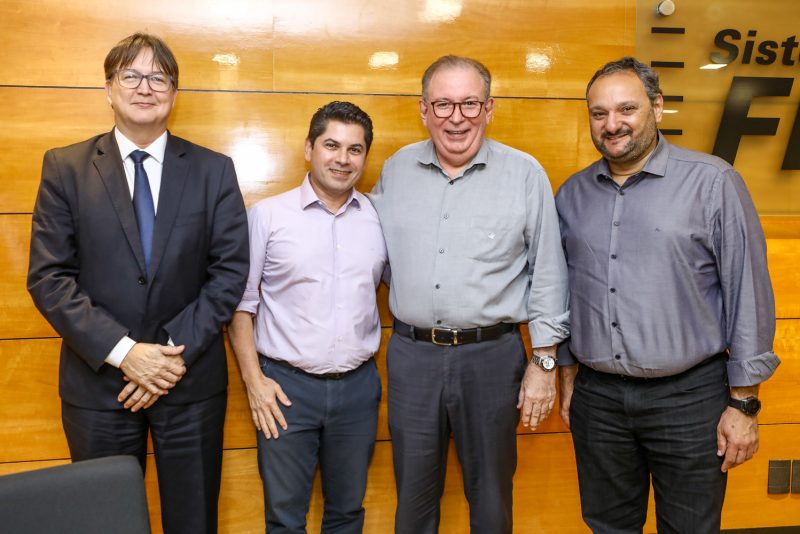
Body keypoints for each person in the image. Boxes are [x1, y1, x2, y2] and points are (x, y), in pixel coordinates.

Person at [27, 33, 249, 534]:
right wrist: (126, 352)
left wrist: (165, 356)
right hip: (100, 386)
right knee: (103, 521)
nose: (144, 87)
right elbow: (48, 277)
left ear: (174, 91)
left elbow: (229, 272)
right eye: (131, 75)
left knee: (194, 521)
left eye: (158, 77)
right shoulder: (65, 168)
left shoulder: (214, 171)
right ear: (109, 87)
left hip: (188, 381)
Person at [555, 56, 780, 533]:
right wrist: (567, 372)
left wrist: (744, 403)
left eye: (626, 109)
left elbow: (749, 294)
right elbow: (560, 290)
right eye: (599, 113)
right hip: (599, 400)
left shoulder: (714, 182)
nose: (611, 124)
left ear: (657, 107)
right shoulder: (571, 194)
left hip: (689, 398)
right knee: (607, 525)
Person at [369, 56, 569, 533]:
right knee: (413, 498)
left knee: (492, 496)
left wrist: (543, 365)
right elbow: (376, 257)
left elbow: (549, 271)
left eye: (468, 103)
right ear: (423, 109)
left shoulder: (524, 174)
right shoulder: (396, 170)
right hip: (412, 356)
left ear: (489, 107)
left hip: (494, 358)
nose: (455, 117)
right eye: (442, 104)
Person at [228, 101, 386, 533]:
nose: (342, 158)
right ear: (308, 148)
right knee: (284, 518)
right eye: (331, 145)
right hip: (285, 390)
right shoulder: (267, 216)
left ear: (365, 158)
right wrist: (253, 381)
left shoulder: (377, 217)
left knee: (347, 513)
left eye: (355, 150)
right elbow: (241, 305)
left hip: (358, 389)